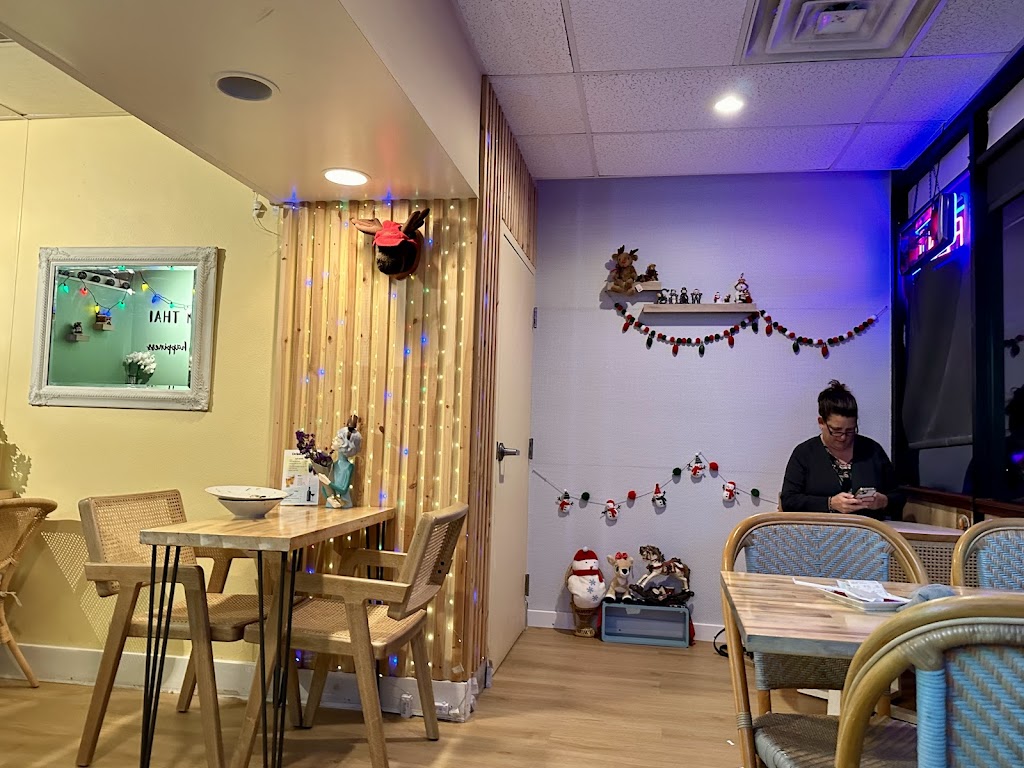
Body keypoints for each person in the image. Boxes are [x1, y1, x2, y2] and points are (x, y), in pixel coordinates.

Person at [781, 380, 902, 519]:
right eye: (836, 431)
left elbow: (898, 496)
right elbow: (788, 501)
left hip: (868, 528)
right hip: (820, 529)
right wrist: (830, 503)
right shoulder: (805, 453)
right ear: (821, 422)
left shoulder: (872, 450)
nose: (843, 437)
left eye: (850, 430)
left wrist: (883, 501)